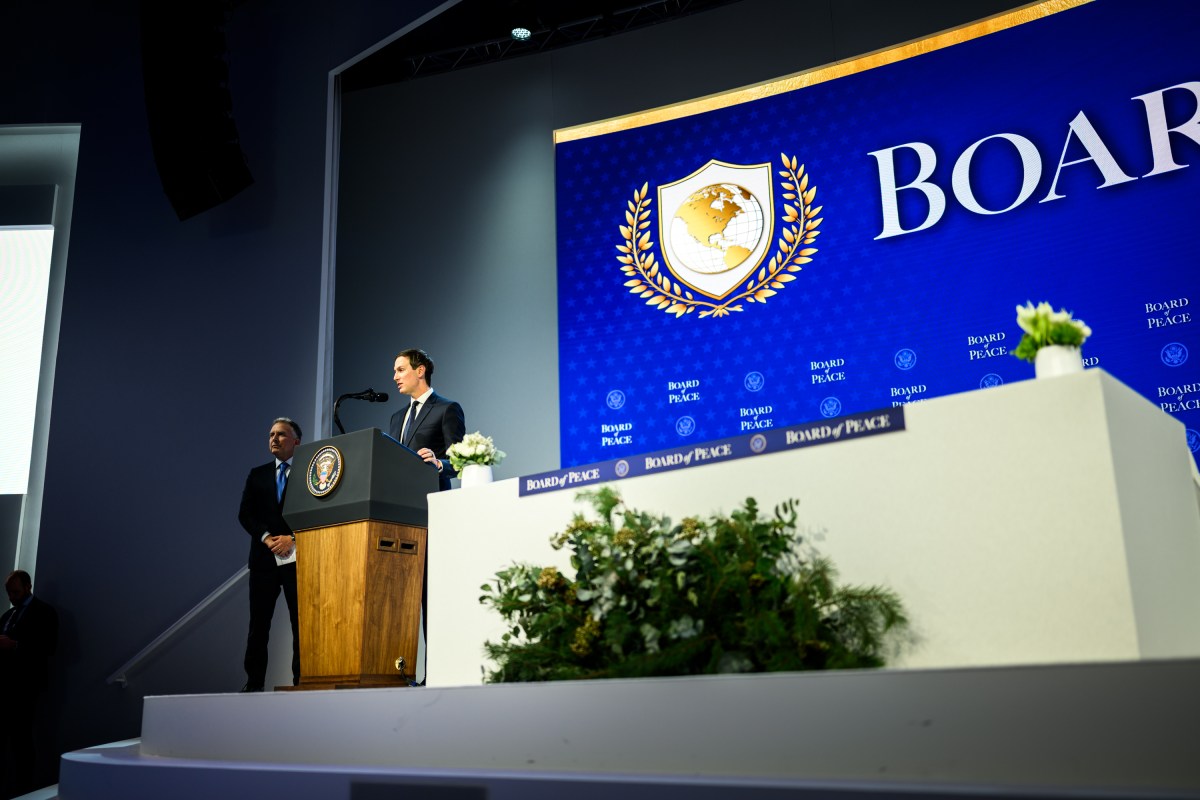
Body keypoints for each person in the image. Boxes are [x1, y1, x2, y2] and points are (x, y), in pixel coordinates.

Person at [237, 417, 302, 692]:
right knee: (258, 626)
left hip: (297, 560)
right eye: (271, 434)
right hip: (264, 561)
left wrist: (292, 539)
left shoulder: (309, 473)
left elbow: (316, 513)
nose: (274, 439)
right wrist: (266, 538)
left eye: (281, 434)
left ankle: (301, 683)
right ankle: (253, 685)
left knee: (300, 626)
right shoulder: (257, 474)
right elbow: (245, 514)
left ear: (296, 441)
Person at [0, 570, 58, 798]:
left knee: (21, 739)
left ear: (28, 587)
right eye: (9, 593)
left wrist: (15, 646)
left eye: (15, 592)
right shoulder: (8, 615)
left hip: (25, 686)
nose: (12, 597)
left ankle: (23, 790)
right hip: (5, 685)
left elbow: (48, 647)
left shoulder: (44, 612)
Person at [389, 348, 466, 492]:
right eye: (395, 371)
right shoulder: (397, 417)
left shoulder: (447, 409)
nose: (395, 377)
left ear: (420, 371)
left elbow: (460, 461)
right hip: (398, 498)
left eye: (401, 370)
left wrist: (437, 464)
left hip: (432, 496)